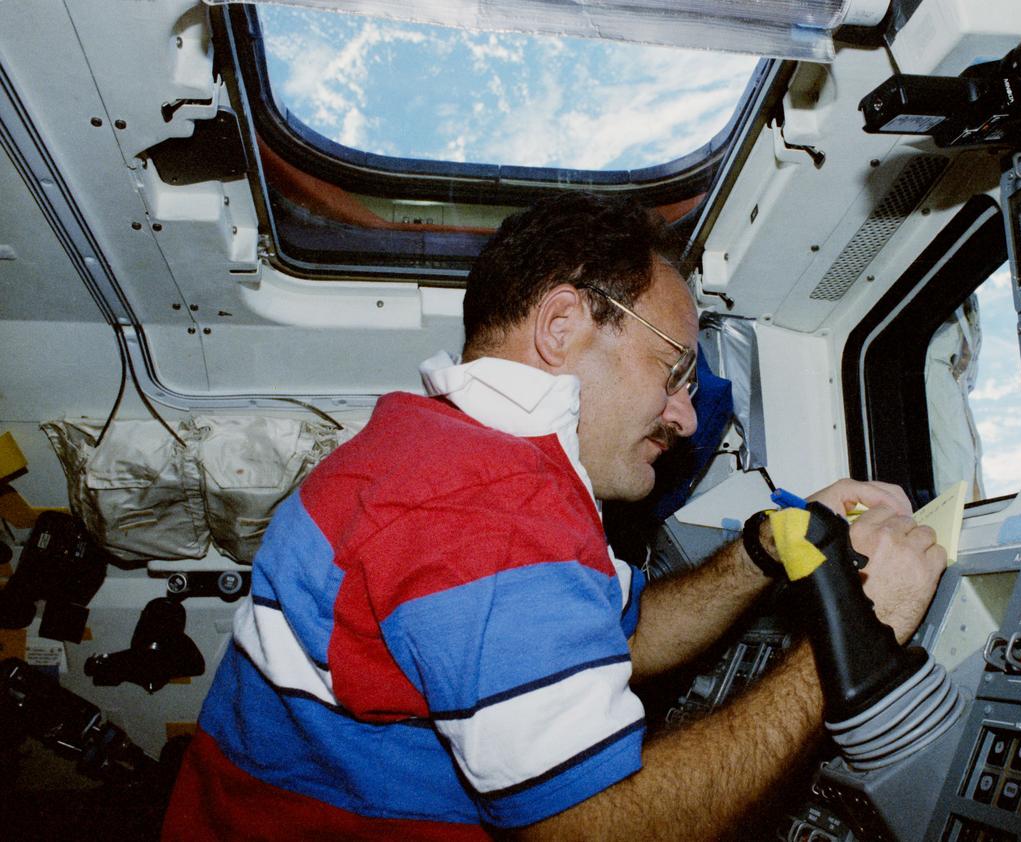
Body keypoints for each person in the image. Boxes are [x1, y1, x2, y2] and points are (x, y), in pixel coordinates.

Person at [161, 191, 946, 840]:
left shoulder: (443, 447)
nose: (681, 414)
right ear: (562, 324)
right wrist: (850, 645)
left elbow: (619, 636)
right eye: (673, 370)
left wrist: (761, 553)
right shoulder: (486, 506)